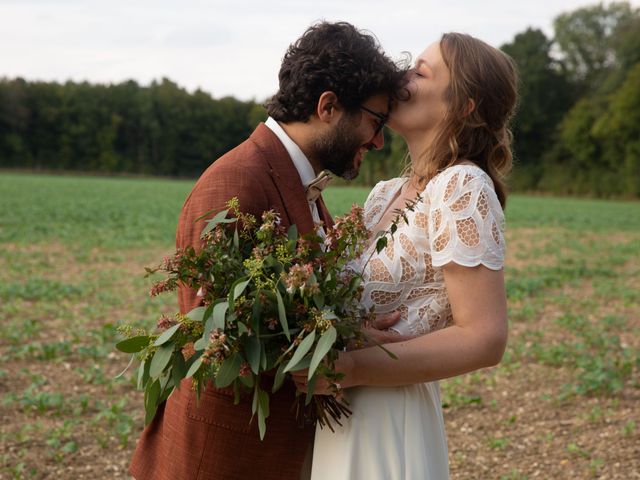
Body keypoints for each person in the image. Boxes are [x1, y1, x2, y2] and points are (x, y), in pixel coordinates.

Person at [128, 21, 408, 480]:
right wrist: (346, 339)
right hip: (222, 460)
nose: (378, 141)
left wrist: (345, 325)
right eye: (375, 121)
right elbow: (223, 342)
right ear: (328, 106)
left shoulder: (298, 182)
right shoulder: (236, 181)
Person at [292, 32, 518, 479]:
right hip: (341, 411)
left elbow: (485, 337)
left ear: (464, 105)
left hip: (390, 415)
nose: (401, 76)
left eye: (421, 71)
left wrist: (353, 366)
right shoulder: (384, 194)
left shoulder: (462, 187)